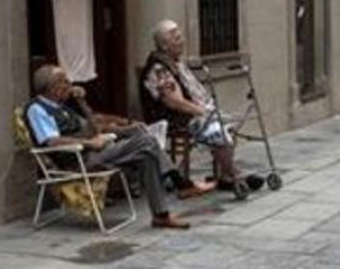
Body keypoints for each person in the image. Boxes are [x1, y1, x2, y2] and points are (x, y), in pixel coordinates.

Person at [26, 65, 213, 230]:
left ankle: (161, 215)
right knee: (146, 142)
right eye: (65, 81)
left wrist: (83, 103)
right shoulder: (37, 109)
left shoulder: (64, 107)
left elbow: (94, 127)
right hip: (81, 160)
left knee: (146, 150)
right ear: (53, 87)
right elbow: (51, 141)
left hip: (97, 149)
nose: (69, 84)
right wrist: (90, 143)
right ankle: (179, 183)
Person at [142, 20, 263, 191]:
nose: (180, 39)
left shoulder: (176, 63)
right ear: (163, 45)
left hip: (196, 112)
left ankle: (225, 175)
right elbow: (173, 101)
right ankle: (234, 174)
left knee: (230, 124)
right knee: (219, 131)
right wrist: (202, 112)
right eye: (174, 37)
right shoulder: (160, 68)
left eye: (179, 34)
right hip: (179, 118)